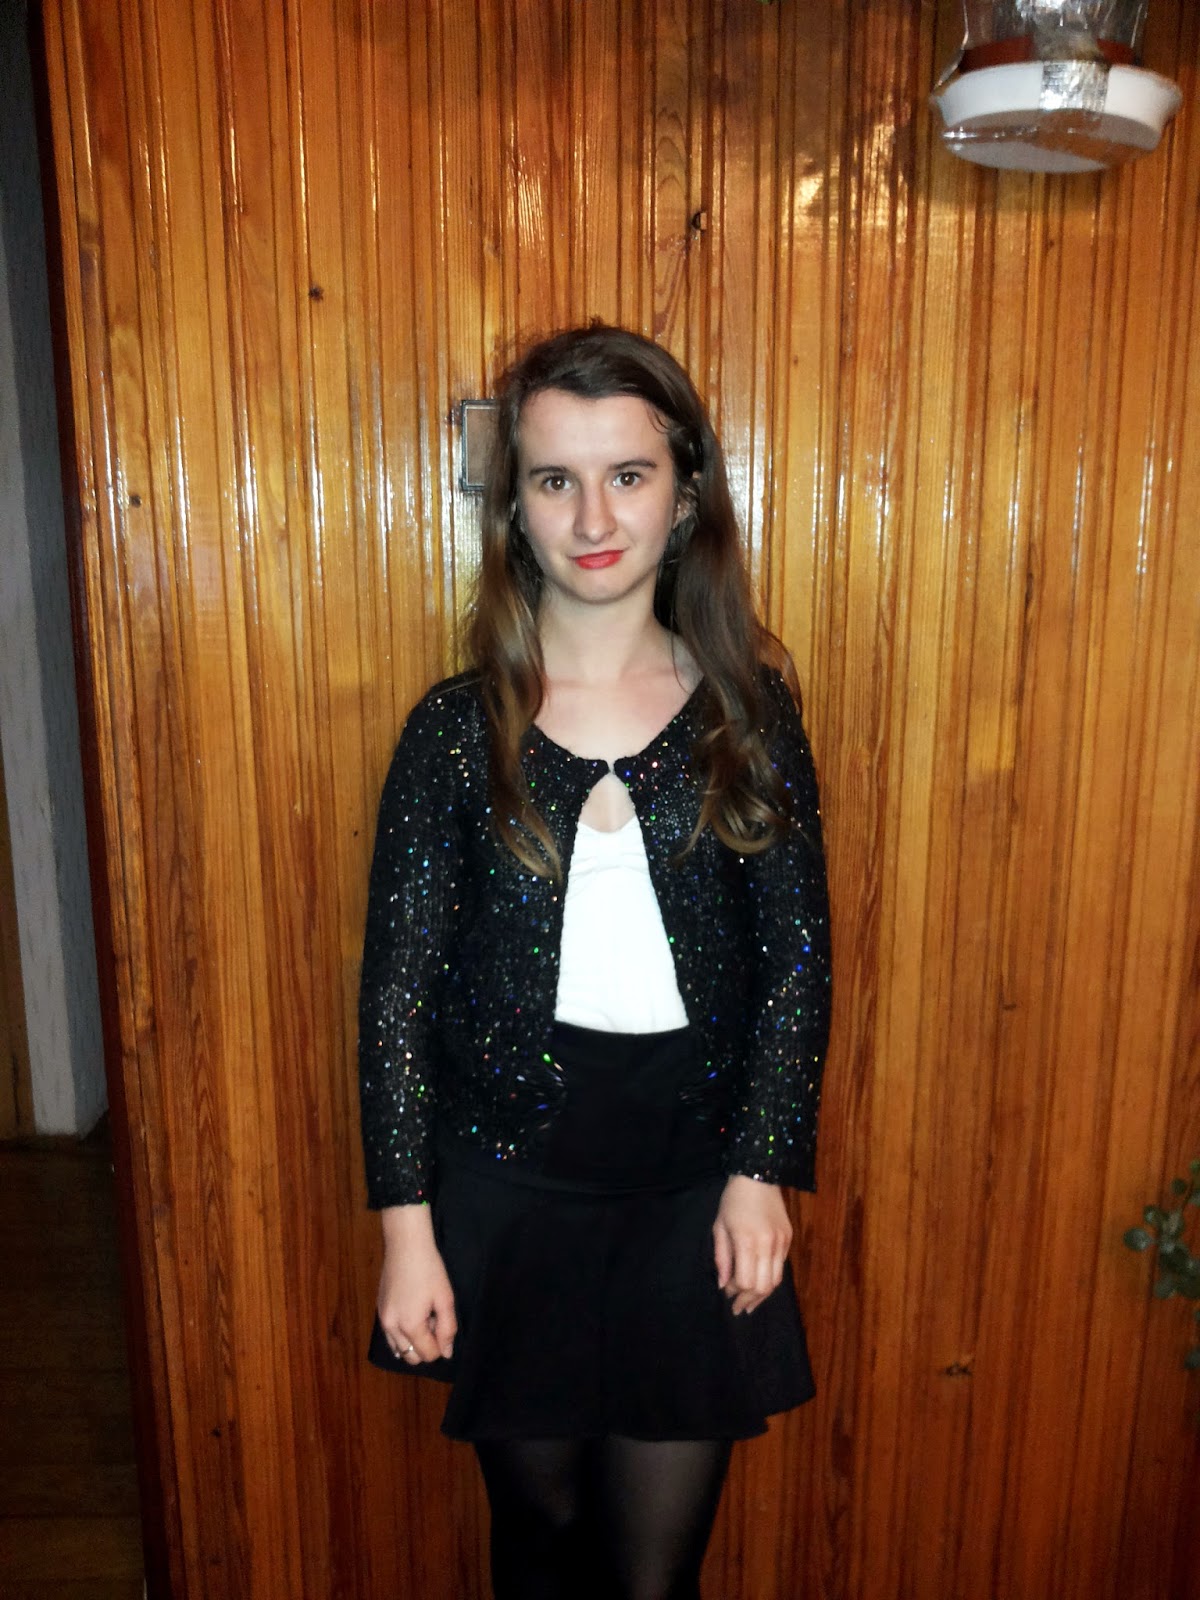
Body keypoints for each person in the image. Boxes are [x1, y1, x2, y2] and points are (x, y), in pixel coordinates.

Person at [358, 324, 832, 1600]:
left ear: (684, 490)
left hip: (690, 1193)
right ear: (516, 505)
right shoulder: (456, 733)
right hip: (507, 1192)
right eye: (555, 479)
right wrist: (407, 1233)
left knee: (653, 1573)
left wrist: (759, 1173)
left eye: (627, 474)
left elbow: (797, 961)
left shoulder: (747, 714)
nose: (593, 517)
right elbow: (395, 998)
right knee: (539, 1535)